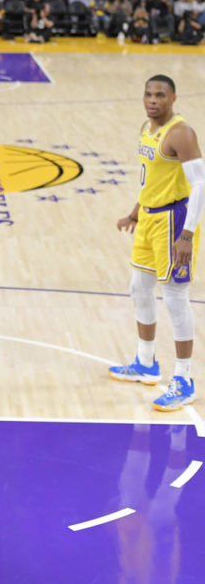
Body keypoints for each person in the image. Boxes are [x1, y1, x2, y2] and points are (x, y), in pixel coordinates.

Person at [111, 75, 201, 412]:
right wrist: (135, 213)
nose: (152, 100)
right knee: (139, 288)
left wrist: (187, 235)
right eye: (148, 94)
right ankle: (146, 363)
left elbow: (200, 185)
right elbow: (150, 177)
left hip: (174, 221)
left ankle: (184, 380)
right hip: (148, 219)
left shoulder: (181, 133)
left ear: (173, 98)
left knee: (175, 298)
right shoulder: (146, 129)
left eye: (160, 95)